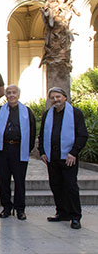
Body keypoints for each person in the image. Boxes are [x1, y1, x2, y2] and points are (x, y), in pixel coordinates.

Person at [40, 87, 88, 230]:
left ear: (65, 97)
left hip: (68, 157)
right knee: (56, 185)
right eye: (53, 97)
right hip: (52, 157)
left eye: (58, 97)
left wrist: (73, 152)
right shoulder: (47, 114)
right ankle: (62, 212)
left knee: (71, 187)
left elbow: (82, 135)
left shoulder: (75, 113)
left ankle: (75, 216)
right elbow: (42, 134)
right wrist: (42, 151)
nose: (55, 100)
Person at [0, 85, 36, 221]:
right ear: (5, 96)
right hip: (4, 149)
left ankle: (20, 209)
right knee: (3, 179)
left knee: (19, 180)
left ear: (18, 95)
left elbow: (32, 131)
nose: (11, 95)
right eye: (9, 93)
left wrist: (27, 149)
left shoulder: (27, 112)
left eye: (14, 93)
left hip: (19, 149)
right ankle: (6, 207)